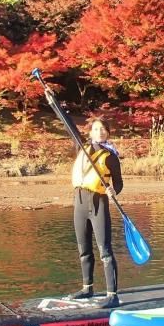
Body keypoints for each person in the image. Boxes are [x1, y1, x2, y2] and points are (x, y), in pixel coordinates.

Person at [67, 118, 123, 308]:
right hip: (79, 202)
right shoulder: (80, 148)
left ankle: (112, 295)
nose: (100, 132)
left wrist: (113, 191)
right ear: (90, 132)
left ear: (107, 133)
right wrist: (51, 99)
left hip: (98, 203)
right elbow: (69, 125)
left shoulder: (110, 156)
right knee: (84, 250)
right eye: (96, 129)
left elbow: (119, 183)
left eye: (103, 129)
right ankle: (87, 288)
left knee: (105, 251)